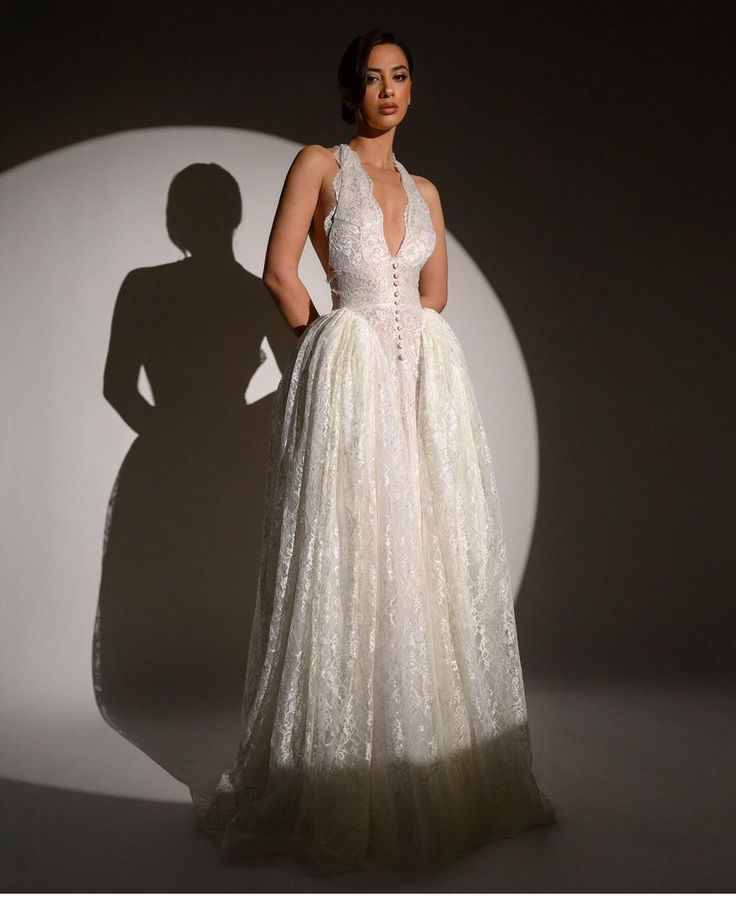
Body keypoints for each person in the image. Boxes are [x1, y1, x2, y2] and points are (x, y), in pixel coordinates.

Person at [191, 28, 556, 872]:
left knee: (423, 551)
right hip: (351, 381)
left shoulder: (426, 187)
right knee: (351, 555)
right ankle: (336, 778)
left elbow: (435, 293)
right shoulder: (320, 165)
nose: (386, 90)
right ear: (350, 92)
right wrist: (330, 347)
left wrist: (408, 351)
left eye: (399, 77)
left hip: (423, 380)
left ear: (412, 90)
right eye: (371, 78)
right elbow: (281, 270)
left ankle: (424, 766)